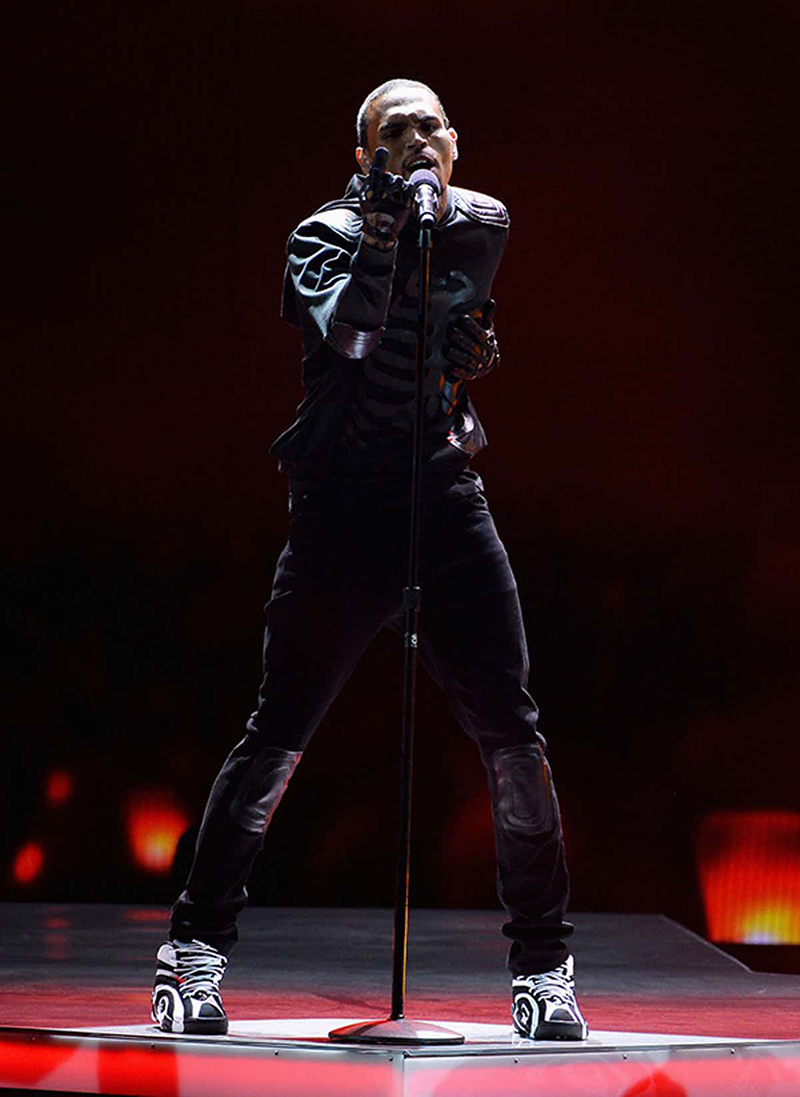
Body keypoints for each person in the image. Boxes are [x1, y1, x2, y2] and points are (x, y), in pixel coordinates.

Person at [151, 77, 588, 1042]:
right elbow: (349, 335)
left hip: (442, 494)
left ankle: (544, 968)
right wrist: (385, 238)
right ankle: (192, 952)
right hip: (343, 509)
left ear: (456, 141)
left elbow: (453, 338)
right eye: (397, 130)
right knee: (278, 735)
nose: (420, 140)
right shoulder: (324, 233)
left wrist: (468, 355)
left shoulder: (482, 224)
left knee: (514, 736)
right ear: (364, 156)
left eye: (433, 126)